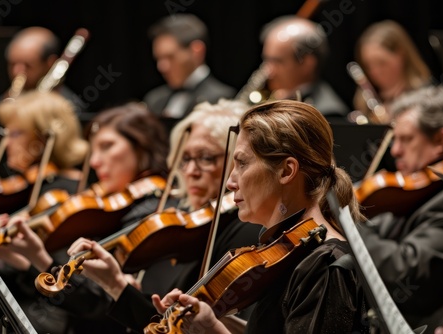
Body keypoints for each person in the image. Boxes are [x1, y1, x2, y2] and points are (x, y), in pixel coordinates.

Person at [151, 99, 369, 333]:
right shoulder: (290, 253)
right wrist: (211, 325)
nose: (230, 182)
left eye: (242, 164)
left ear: (286, 171)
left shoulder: (326, 266)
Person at [0, 102, 171, 334]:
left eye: (107, 146)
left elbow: (101, 307)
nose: (94, 161)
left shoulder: (152, 214)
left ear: (142, 147)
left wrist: (38, 260)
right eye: (94, 150)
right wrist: (18, 261)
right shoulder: (101, 208)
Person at [65, 99, 262, 333]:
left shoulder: (247, 229)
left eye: (206, 158)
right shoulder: (178, 222)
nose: (191, 171)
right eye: (186, 159)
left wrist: (116, 286)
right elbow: (159, 323)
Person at [0, 90, 89, 334]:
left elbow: (38, 280)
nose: (6, 142)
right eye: (5, 132)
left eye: (15, 133)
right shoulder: (26, 188)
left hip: (52, 314)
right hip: (21, 303)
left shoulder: (63, 195)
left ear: (45, 138)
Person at [358, 85, 443, 331]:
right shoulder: (412, 192)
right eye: (394, 138)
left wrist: (350, 221)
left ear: (440, 140)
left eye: (406, 139)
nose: (395, 150)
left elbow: (404, 269)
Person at [143, 14, 236, 122]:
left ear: (197, 51)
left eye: (170, 57)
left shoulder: (223, 99)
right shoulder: (153, 99)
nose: (161, 67)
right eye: (158, 58)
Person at [259, 16, 349, 118]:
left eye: (278, 61)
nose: (268, 71)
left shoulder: (327, 113)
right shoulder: (279, 95)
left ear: (307, 64)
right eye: (266, 60)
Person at [353, 20, 432, 123]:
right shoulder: (366, 103)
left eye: (382, 63)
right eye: (368, 65)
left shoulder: (427, 97)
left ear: (401, 54)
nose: (375, 71)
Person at [3, 26, 86, 112]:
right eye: (12, 64)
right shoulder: (2, 103)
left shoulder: (69, 108)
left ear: (50, 63)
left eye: (28, 65)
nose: (17, 72)